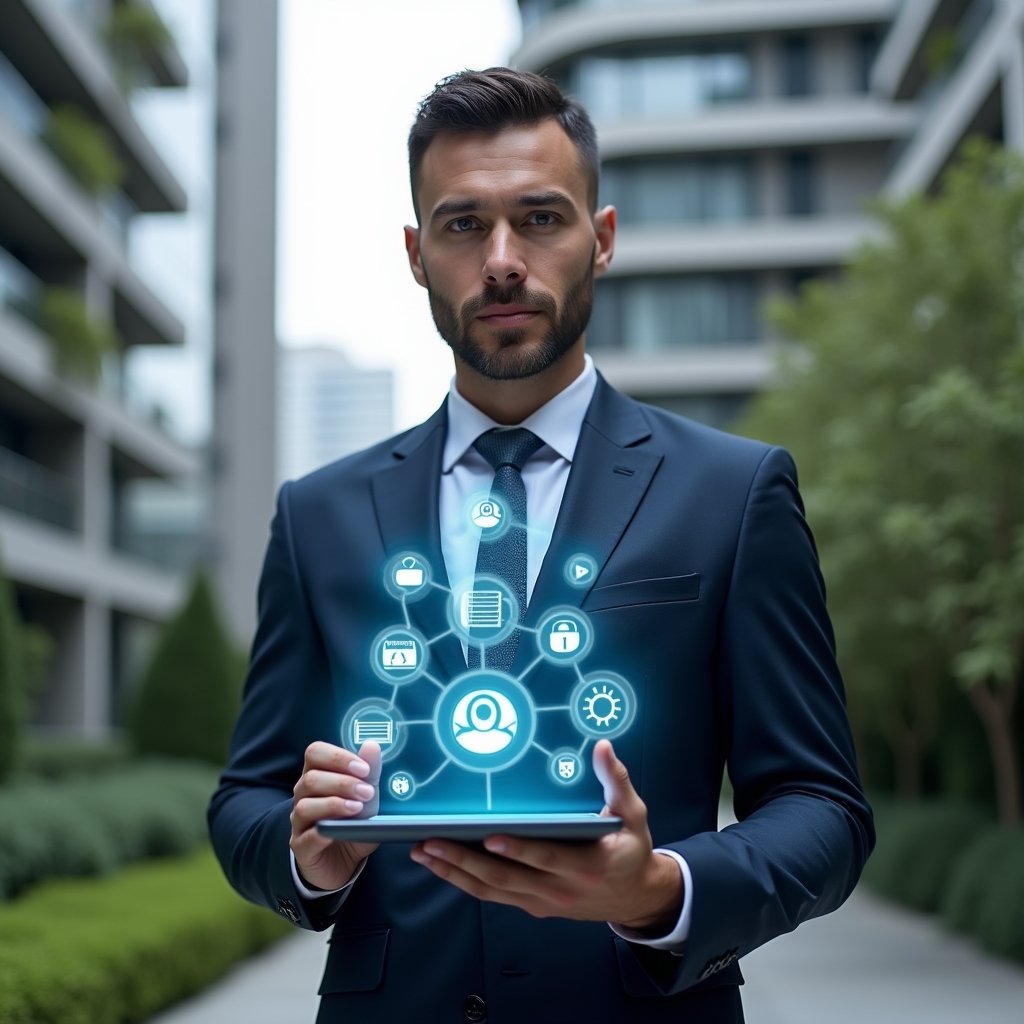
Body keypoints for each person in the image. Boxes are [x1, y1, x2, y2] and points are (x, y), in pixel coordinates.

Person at [209, 67, 873, 1024]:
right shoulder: (319, 512)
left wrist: (663, 891)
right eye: (465, 224)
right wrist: (305, 853)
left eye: (542, 219)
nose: (504, 259)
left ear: (600, 240)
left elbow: (824, 809)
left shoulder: (734, 492)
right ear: (416, 251)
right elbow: (244, 799)